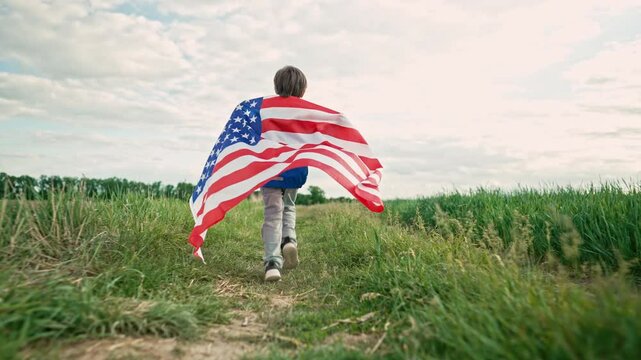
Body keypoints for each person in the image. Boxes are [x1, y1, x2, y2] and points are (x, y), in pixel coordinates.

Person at [262, 65, 309, 282]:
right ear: (302, 88)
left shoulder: (266, 109)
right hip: (295, 170)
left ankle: (272, 262)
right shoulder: (307, 112)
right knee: (288, 207)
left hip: (271, 169)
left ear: (276, 85)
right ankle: (289, 240)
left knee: (272, 213)